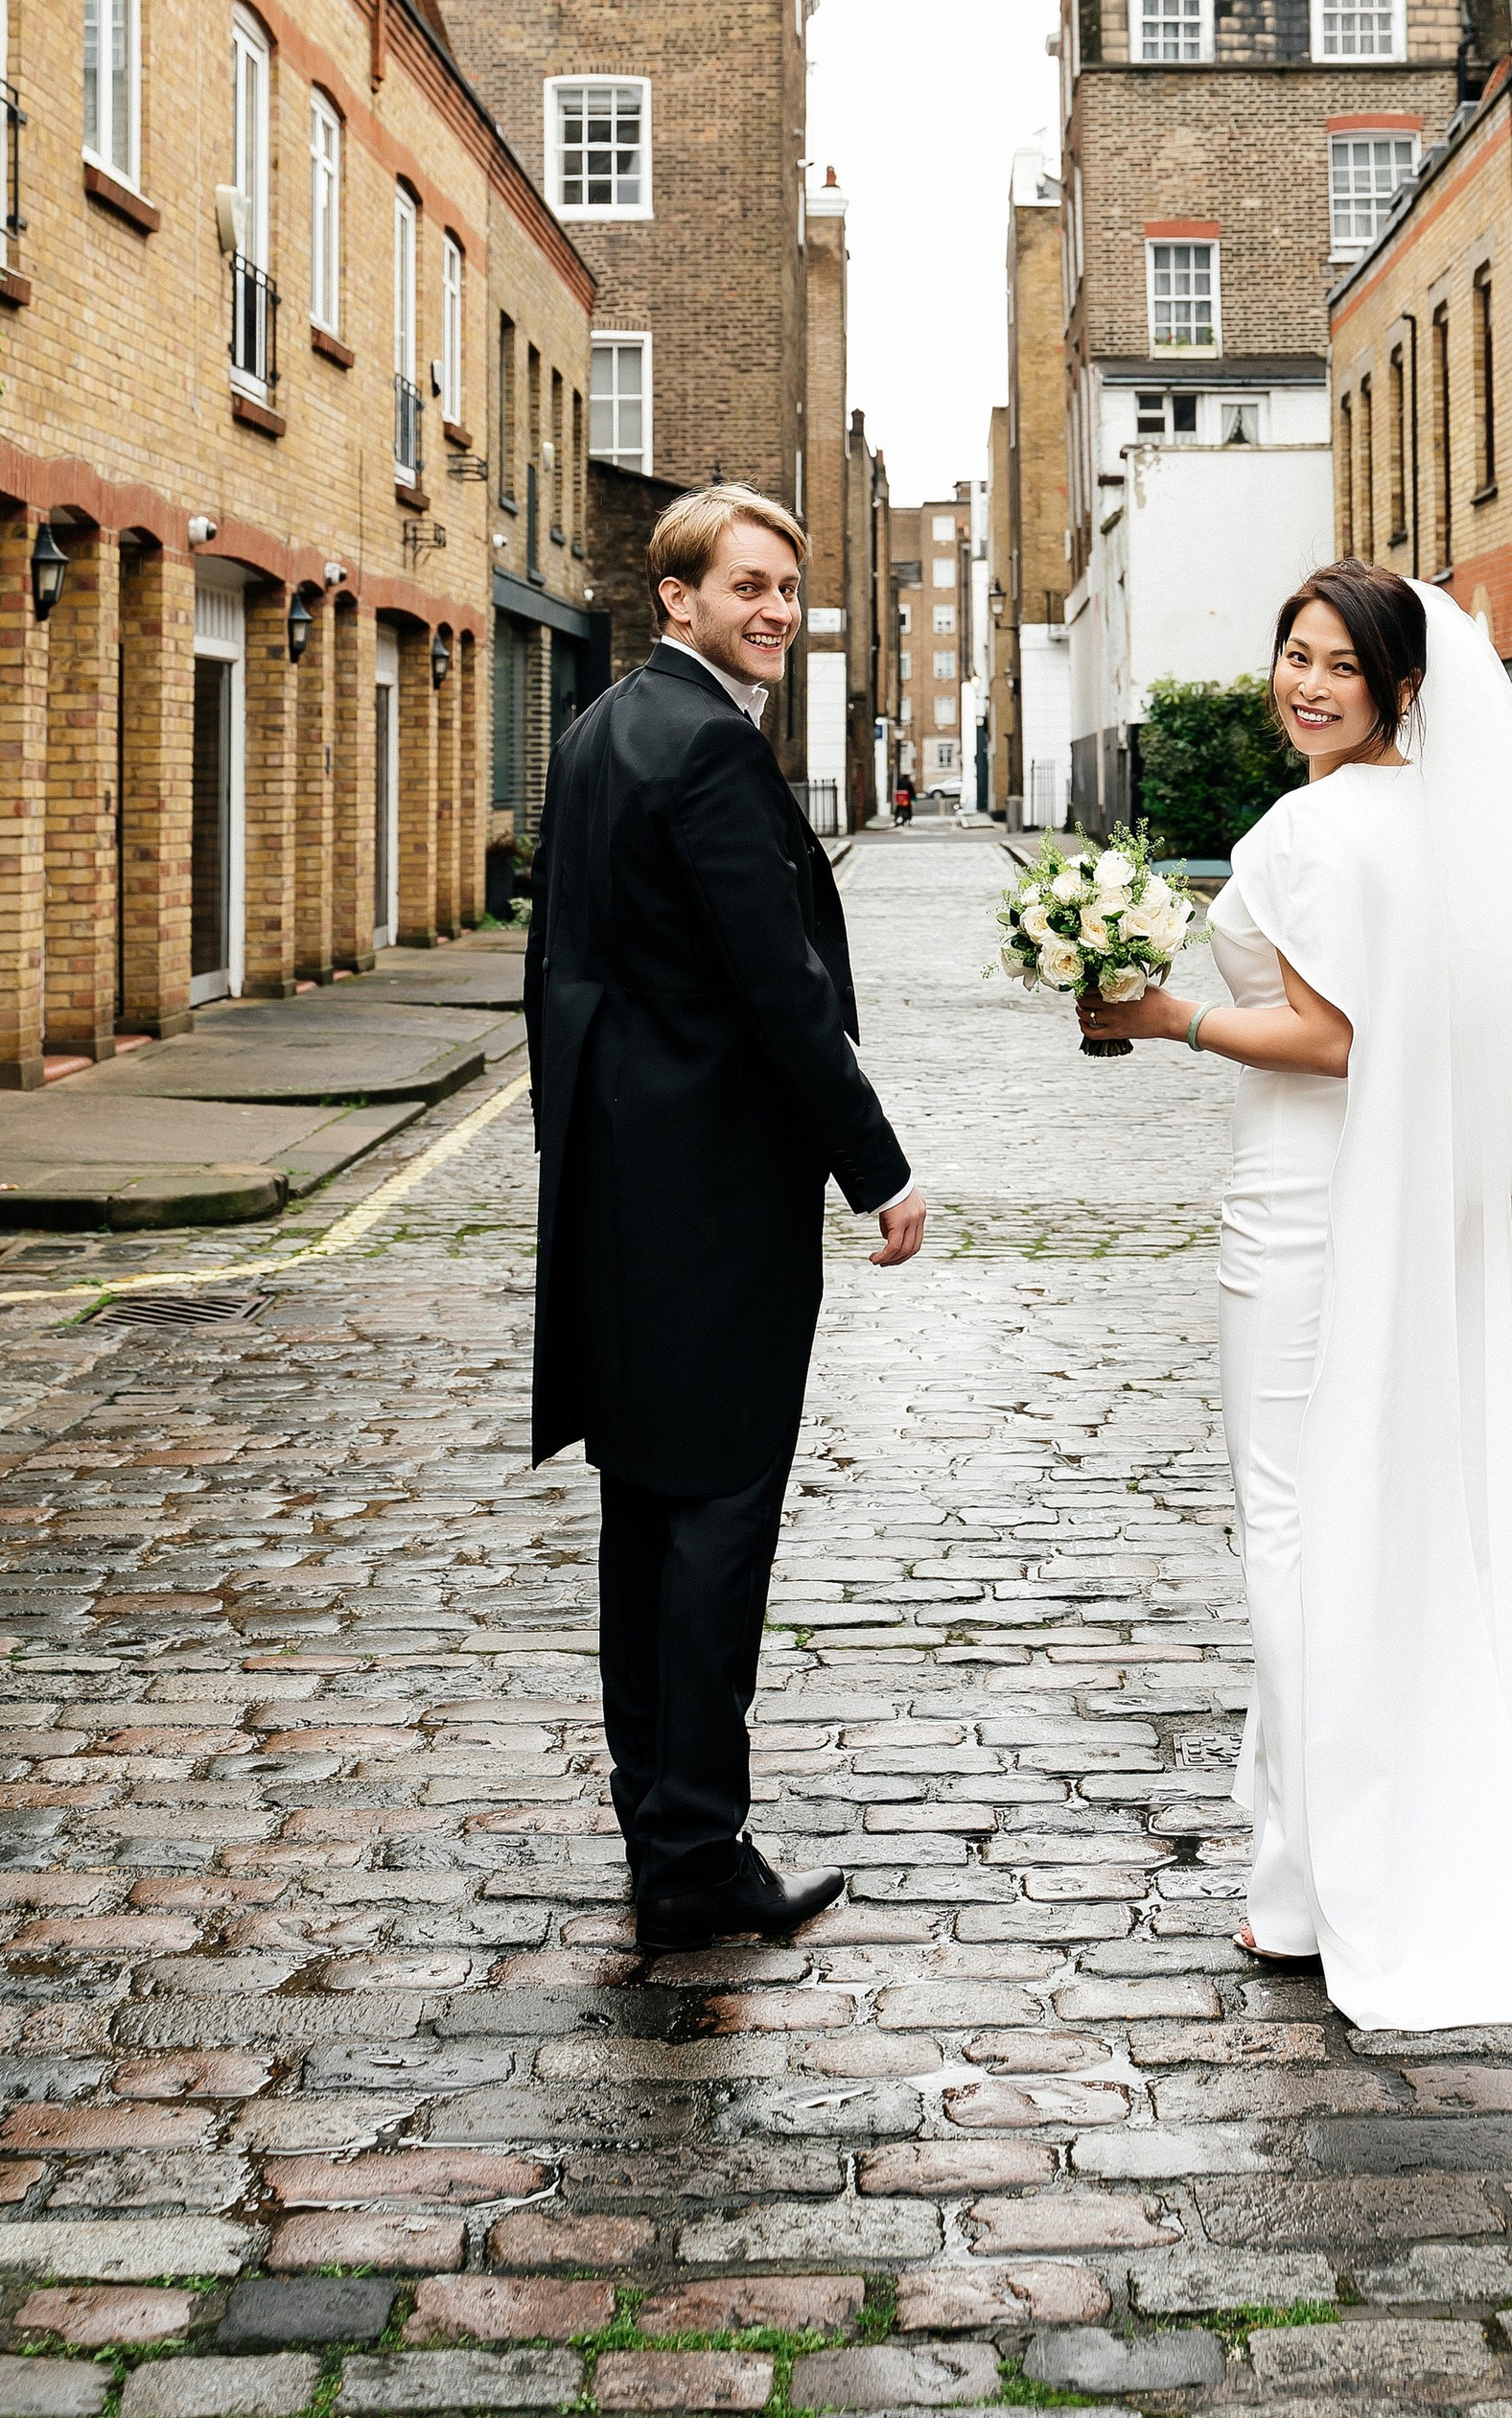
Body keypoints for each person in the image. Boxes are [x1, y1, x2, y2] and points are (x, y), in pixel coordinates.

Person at [1077, 559, 1512, 2031]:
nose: (1304, 682)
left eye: (1337, 663)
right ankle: (1302, 1877)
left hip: (1304, 1215)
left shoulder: (1311, 831)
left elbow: (1335, 1041)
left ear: (1401, 687)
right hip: (1416, 1209)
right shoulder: (1440, 827)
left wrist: (1166, 1014)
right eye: (1292, 653)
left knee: (1291, 1531)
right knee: (1390, 1511)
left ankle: (1335, 1882)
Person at [524, 484, 925, 1952]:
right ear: (675, 596)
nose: (771, 610)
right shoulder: (704, 747)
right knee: (712, 1527)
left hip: (622, 1191)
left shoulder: (598, 731)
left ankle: (664, 1821)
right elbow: (782, 995)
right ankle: (696, 1852)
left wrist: (572, 1144)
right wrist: (874, 1165)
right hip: (709, 1209)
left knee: (647, 1518)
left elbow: (557, 974)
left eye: (784, 589)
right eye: (745, 585)